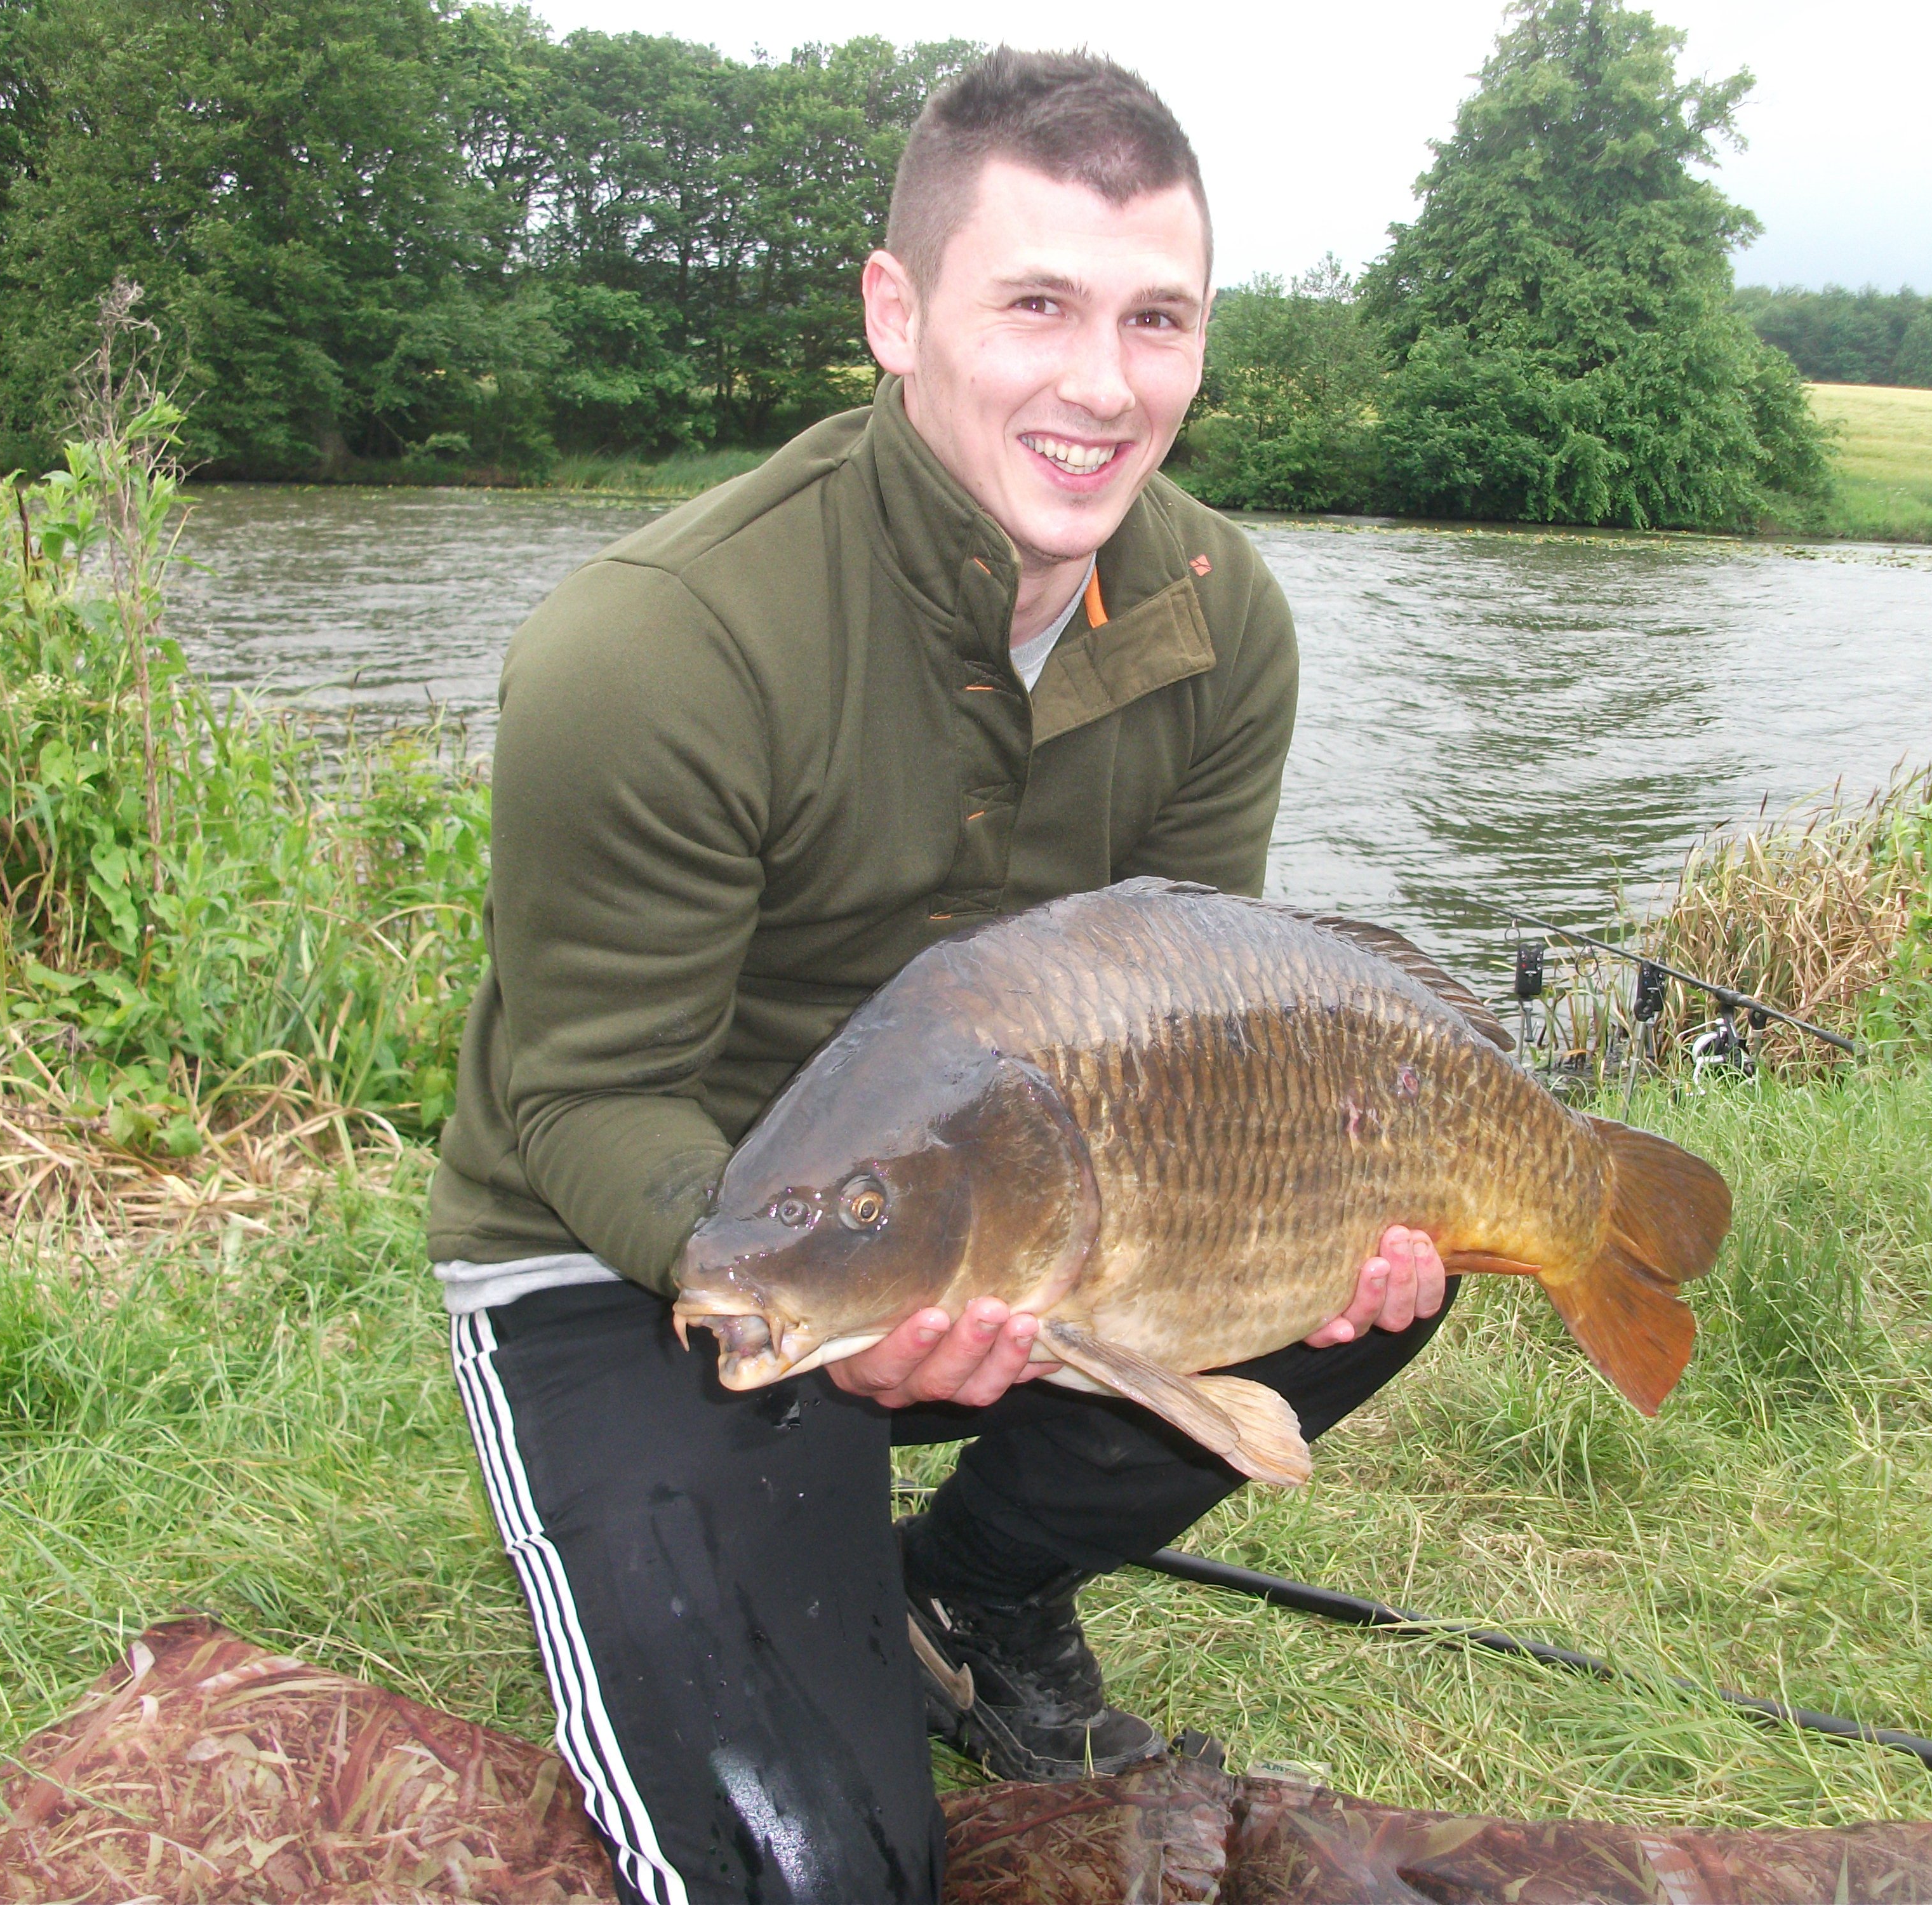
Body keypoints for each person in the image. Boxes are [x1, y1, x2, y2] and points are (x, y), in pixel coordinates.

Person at [428, 49, 1454, 1905]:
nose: (1102, 383)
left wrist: (1319, 1218)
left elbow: (1202, 1003)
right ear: (897, 315)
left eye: (1159, 319)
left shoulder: (1221, 618)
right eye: (1037, 305)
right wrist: (841, 1286)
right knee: (817, 1867)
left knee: (1362, 1262)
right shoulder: (658, 650)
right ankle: (789, 1552)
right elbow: (582, 1096)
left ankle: (972, 1594)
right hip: (659, 1251)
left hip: (1009, 1201)